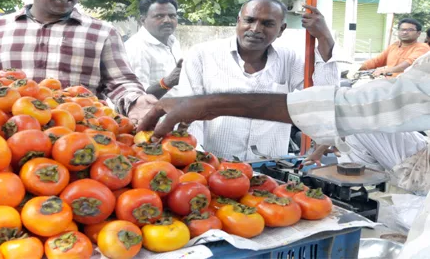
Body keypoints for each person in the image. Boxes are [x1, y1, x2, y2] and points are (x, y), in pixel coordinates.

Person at [138, 51, 430, 259]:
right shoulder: (205, 56)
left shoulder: (290, 59)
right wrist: (209, 104)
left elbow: (360, 105)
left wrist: (212, 104)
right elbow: (364, 106)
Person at [0, 0, 155, 121]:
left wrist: (137, 102)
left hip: (79, 141)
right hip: (10, 139)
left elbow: (121, 82)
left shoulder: (102, 32)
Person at [172, 0, 339, 160]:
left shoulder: (289, 58)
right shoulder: (202, 55)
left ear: (281, 29)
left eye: (267, 24)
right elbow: (190, 114)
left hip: (270, 169)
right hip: (215, 169)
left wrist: (324, 37)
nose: (255, 29)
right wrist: (199, 159)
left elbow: (323, 97)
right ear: (238, 21)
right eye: (249, 20)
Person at [125, 0, 182, 99]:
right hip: (151, 113)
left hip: (176, 111)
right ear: (142, 20)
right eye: (159, 16)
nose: (167, 20)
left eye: (172, 16)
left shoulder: (173, 41)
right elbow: (136, 96)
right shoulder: (137, 47)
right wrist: (167, 82)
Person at [360, 18, 429, 77]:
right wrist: (356, 68)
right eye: (402, 29)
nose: (405, 32)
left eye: (410, 30)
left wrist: (386, 70)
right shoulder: (394, 46)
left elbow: (408, 65)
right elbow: (376, 61)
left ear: (418, 33)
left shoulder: (422, 47)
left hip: (409, 87)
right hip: (389, 84)